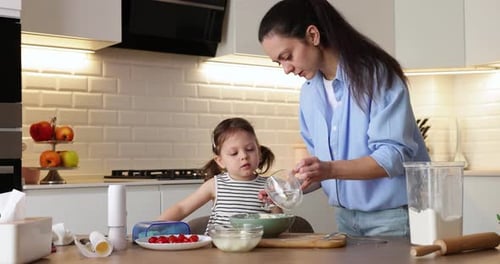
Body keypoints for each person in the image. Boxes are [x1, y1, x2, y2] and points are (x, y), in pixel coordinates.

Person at [258, 0, 430, 237]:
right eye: (279, 62)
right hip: (345, 219)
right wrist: (290, 186)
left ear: (313, 35)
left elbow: (392, 157)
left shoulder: (377, 76)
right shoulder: (309, 93)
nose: (286, 68)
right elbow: (324, 166)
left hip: (392, 218)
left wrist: (327, 169)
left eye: (287, 56)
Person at [158, 117, 280, 232]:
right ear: (220, 161)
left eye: (250, 149)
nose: (244, 156)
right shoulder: (215, 185)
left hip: (258, 250)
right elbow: (182, 208)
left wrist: (273, 203)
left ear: (259, 153)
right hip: (218, 250)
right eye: (233, 153)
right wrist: (152, 227)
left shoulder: (269, 185)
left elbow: (279, 221)